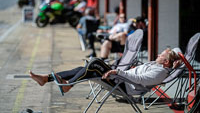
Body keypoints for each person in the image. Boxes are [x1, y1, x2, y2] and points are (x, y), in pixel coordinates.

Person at [29, 48, 181, 95]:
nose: (158, 55)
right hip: (121, 80)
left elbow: (139, 80)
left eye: (162, 55)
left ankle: (68, 85)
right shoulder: (158, 65)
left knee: (95, 62)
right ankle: (46, 79)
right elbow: (177, 52)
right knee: (85, 68)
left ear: (166, 62)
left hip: (125, 86)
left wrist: (117, 72)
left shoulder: (160, 72)